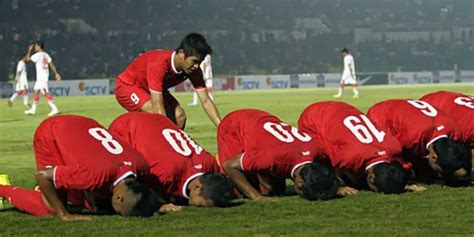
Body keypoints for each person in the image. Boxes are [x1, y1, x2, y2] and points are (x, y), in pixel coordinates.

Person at [0, 115, 159, 220]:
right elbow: (42, 176)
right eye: (118, 210)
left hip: (84, 123)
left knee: (84, 200)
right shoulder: (93, 176)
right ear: (119, 198)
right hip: (51, 133)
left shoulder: (141, 165)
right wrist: (64, 214)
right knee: (50, 207)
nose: (114, 210)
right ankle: (2, 188)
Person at [109, 112, 235, 207]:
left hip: (158, 121)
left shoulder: (209, 163)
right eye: (202, 204)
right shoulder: (166, 175)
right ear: (197, 187)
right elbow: (140, 191)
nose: (201, 207)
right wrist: (159, 203)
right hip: (126, 127)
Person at [217, 109, 340, 201]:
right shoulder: (272, 158)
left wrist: (332, 187)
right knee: (238, 190)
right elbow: (229, 165)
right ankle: (216, 163)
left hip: (263, 121)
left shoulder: (317, 149)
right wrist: (256, 196)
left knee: (276, 190)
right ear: (300, 183)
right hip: (235, 124)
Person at [298, 101, 420, 194]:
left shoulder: (393, 147)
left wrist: (400, 184)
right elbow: (329, 154)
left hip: (344, 108)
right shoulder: (349, 157)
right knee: (321, 155)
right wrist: (335, 187)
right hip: (314, 116)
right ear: (371, 178)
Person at [114, 33, 220, 129]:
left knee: (179, 117)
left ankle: (173, 149)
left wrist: (222, 128)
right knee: (154, 112)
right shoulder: (159, 63)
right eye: (194, 61)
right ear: (181, 53)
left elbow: (206, 101)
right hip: (128, 86)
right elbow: (157, 104)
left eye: (200, 62)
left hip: (153, 90)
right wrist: (166, 136)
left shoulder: (194, 70)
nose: (196, 66)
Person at [367, 99, 470, 185]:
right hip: (380, 114)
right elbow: (393, 152)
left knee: (426, 176)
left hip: (407, 111)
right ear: (433, 157)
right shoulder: (413, 137)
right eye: (439, 170)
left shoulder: (454, 131)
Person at [24, 41, 62, 116]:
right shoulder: (45, 54)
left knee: (45, 93)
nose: (35, 47)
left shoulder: (38, 55)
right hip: (42, 77)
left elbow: (27, 59)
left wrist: (29, 50)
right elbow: (51, 64)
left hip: (42, 78)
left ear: (39, 46)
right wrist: (56, 73)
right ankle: (33, 110)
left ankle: (54, 109)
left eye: (36, 46)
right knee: (36, 92)